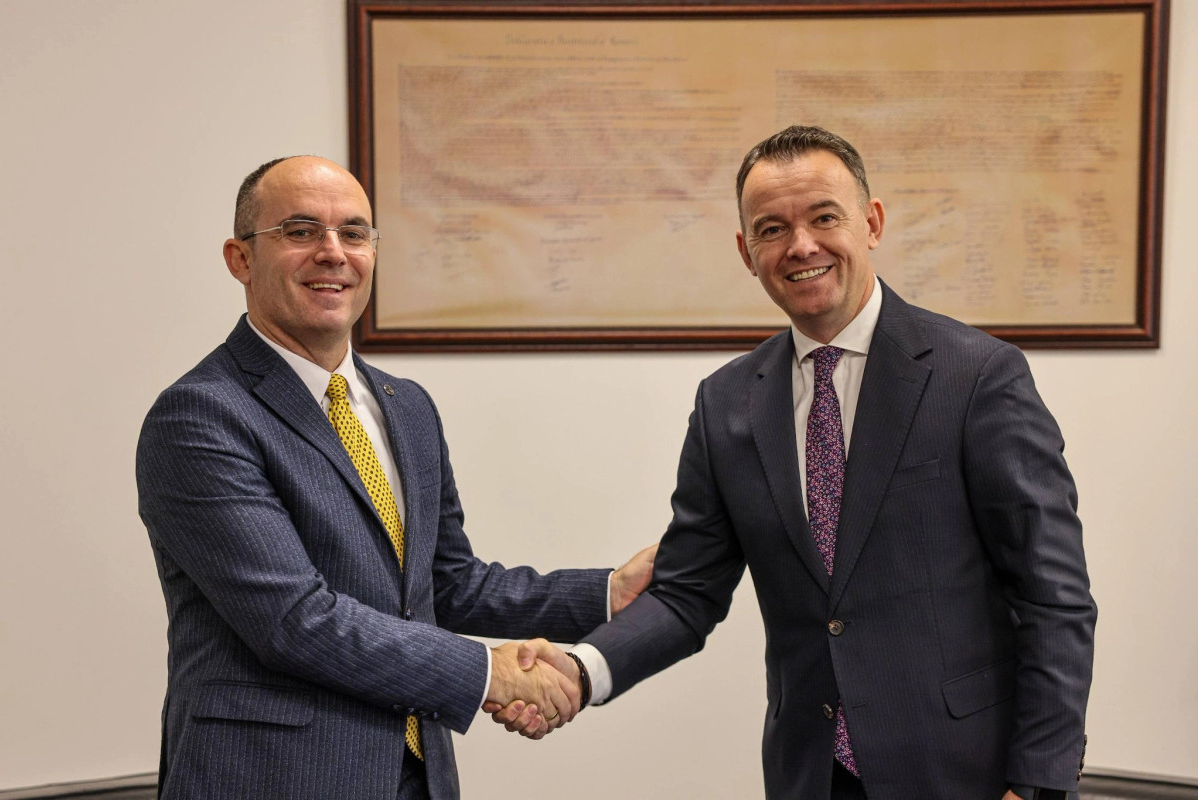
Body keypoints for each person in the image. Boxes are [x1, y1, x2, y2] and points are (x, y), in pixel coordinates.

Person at [496, 126, 1097, 800]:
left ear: (872, 223)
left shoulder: (977, 376)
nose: (801, 245)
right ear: (746, 252)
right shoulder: (727, 403)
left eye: (824, 217)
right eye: (772, 229)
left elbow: (1054, 597)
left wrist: (1038, 783)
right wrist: (581, 670)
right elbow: (687, 592)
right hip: (810, 774)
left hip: (966, 774)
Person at [136, 155, 655, 800]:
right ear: (240, 258)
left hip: (416, 775)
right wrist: (489, 672)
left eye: (354, 233)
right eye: (300, 231)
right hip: (269, 777)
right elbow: (293, 621)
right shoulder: (200, 415)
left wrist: (608, 593)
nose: (333, 252)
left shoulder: (406, 406)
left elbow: (445, 583)